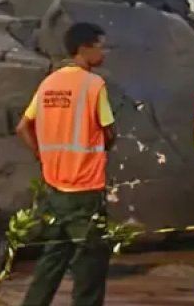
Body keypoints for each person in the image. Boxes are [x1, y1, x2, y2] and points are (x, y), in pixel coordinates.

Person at [15, 22, 115, 306]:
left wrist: (43, 156)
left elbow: (22, 128)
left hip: (55, 186)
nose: (105, 53)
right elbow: (109, 131)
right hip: (85, 189)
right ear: (84, 48)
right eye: (101, 46)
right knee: (91, 263)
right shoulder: (94, 85)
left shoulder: (49, 83)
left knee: (54, 257)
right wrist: (102, 146)